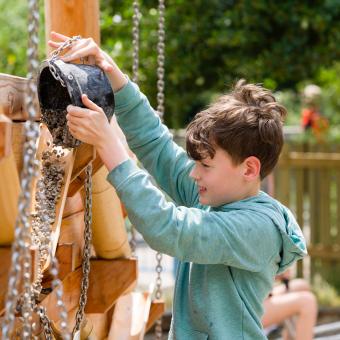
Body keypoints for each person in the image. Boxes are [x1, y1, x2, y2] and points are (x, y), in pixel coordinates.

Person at [48, 32, 307, 339]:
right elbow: (156, 145)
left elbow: (169, 229)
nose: (194, 174)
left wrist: (109, 142)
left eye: (205, 165)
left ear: (249, 169)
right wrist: (113, 76)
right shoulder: (213, 195)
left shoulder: (257, 227)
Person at [262, 269, 318, 340]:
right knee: (307, 302)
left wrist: (276, 273)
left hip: (262, 297)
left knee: (301, 285)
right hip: (248, 306)